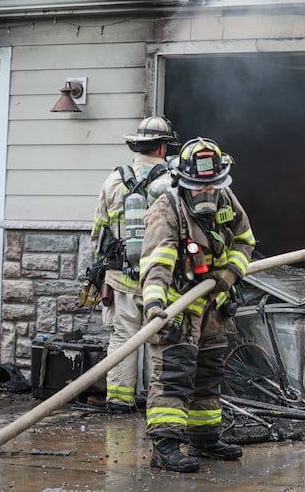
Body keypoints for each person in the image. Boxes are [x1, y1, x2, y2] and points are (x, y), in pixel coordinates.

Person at [140, 137, 256, 473]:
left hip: (214, 309)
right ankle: (165, 447)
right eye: (197, 188)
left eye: (212, 187)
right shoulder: (167, 210)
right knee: (174, 376)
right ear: (182, 182)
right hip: (177, 309)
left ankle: (204, 439)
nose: (206, 194)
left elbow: (246, 240)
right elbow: (156, 265)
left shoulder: (226, 198)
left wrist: (230, 273)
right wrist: (154, 309)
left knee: (208, 374)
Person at [90, 116, 177, 413]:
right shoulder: (174, 182)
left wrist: (102, 270)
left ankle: (118, 400)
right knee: (159, 341)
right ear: (163, 147)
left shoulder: (112, 181)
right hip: (162, 278)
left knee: (123, 338)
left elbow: (98, 231)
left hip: (120, 277)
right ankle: (156, 405)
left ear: (137, 145)